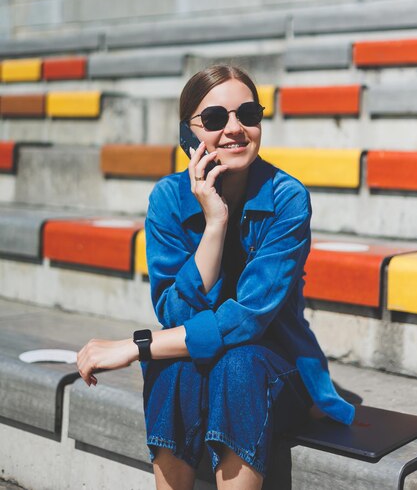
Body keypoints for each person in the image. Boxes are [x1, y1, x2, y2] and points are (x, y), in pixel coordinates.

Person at [77, 65, 355, 490]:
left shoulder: (288, 198)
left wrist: (139, 346)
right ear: (188, 136)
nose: (235, 128)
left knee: (237, 362)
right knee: (174, 369)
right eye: (214, 119)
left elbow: (248, 321)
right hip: (210, 369)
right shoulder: (169, 198)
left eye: (248, 113)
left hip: (277, 370)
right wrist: (214, 225)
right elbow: (176, 313)